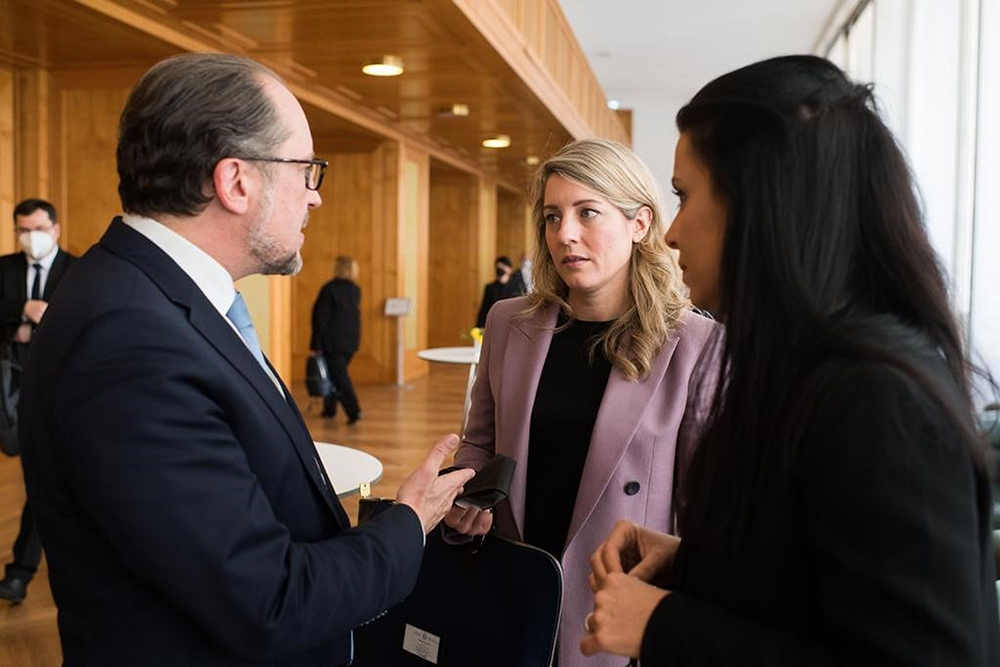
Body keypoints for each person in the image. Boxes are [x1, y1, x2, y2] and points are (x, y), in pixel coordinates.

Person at [17, 53, 474, 666]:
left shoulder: (156, 298)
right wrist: (409, 525)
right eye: (306, 170)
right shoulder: (130, 339)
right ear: (236, 181)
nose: (314, 198)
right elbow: (269, 600)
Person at [582, 55, 1000, 665]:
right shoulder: (803, 367)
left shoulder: (877, 400)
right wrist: (701, 564)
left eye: (685, 195)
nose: (670, 235)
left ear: (761, 204)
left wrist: (667, 623)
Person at [446, 138, 716, 667]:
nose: (564, 234)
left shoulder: (694, 344)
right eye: (552, 216)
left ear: (640, 224)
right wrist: (466, 494)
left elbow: (703, 509)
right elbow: (480, 440)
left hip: (613, 604)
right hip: (512, 581)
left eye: (587, 212)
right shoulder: (509, 322)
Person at [0, 198, 77, 604]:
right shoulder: (4, 269)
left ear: (56, 229)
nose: (30, 237)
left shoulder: (78, 271)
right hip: (8, 390)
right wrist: (20, 316)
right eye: (22, 230)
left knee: (41, 480)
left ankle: (20, 573)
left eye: (38, 229)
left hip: (59, 396)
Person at [311, 255, 362, 423]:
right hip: (350, 342)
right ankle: (329, 409)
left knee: (339, 377)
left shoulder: (329, 289)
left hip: (332, 343)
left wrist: (316, 343)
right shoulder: (355, 290)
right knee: (334, 374)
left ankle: (354, 411)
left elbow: (320, 318)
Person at [474, 255, 523, 328]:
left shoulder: (517, 286)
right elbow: (484, 311)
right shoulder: (490, 288)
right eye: (498, 267)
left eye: (503, 267)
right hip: (496, 325)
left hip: (514, 326)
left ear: (509, 269)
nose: (500, 270)